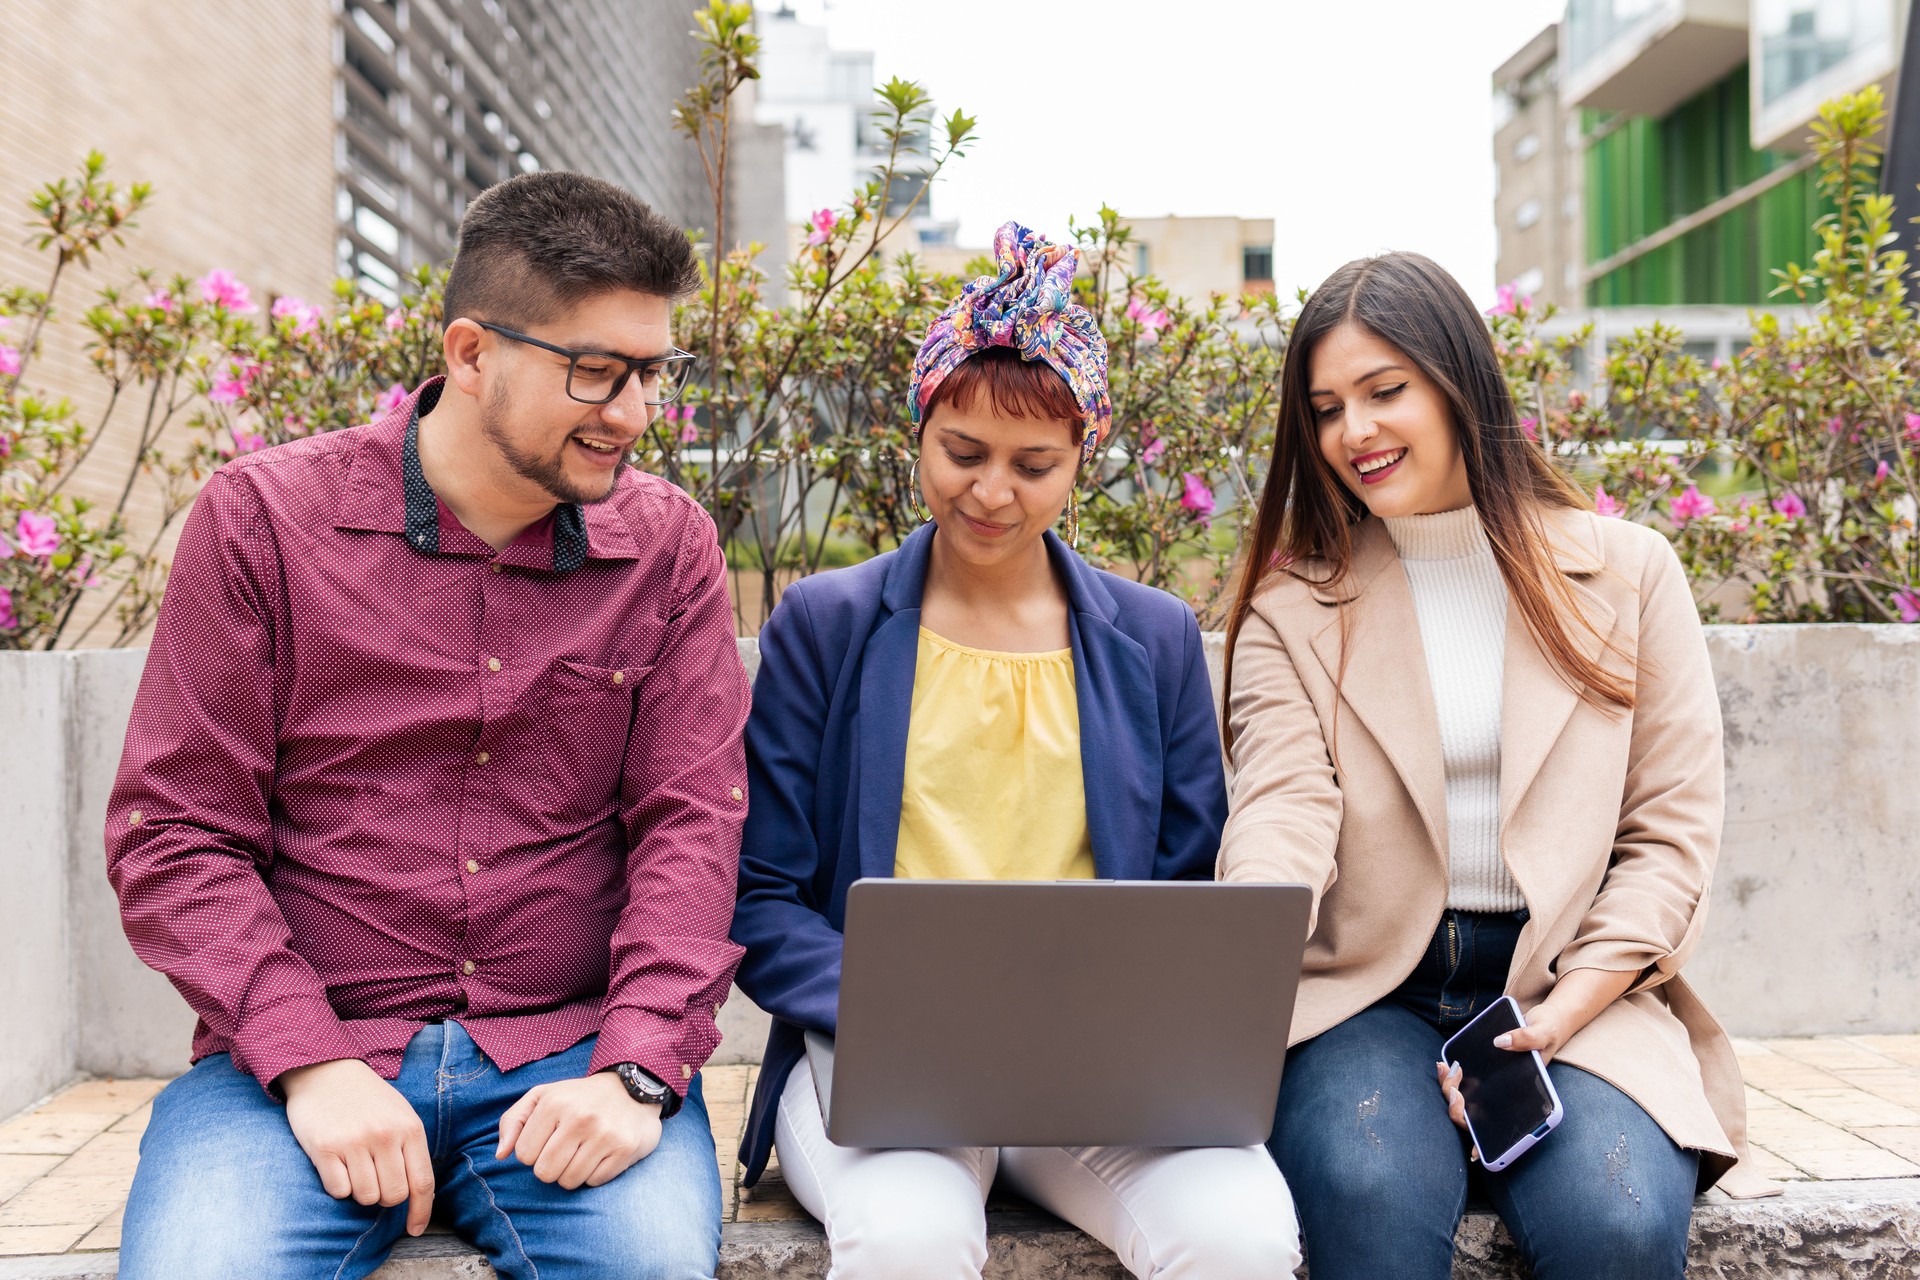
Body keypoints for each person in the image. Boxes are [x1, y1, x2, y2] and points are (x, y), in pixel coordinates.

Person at [108, 171, 749, 1280]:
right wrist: (311, 1064)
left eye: (654, 372)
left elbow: (691, 824)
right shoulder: (262, 522)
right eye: (597, 372)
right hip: (302, 1064)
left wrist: (637, 1070)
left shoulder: (670, 548)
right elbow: (175, 834)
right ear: (470, 353)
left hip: (573, 1055)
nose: (637, 415)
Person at [729, 222, 1301, 1279]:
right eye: (964, 452)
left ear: (1082, 458)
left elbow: (1188, 888)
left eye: (1035, 464)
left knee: (1242, 1232)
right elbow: (758, 894)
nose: (993, 492)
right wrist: (899, 1006)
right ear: (918, 431)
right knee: (906, 1236)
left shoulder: (1154, 637)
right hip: (882, 1060)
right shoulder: (826, 623)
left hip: (1098, 1066)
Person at [1216, 250, 1776, 1280]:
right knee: (1370, 1191)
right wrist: (1241, 943)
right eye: (1329, 407)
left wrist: (1563, 1013)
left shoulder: (1629, 571)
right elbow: (1283, 809)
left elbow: (1668, 838)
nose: (1356, 432)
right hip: (1363, 994)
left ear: (1460, 382)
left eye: (1386, 391)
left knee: (1616, 1220)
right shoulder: (1293, 610)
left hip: (1572, 984)